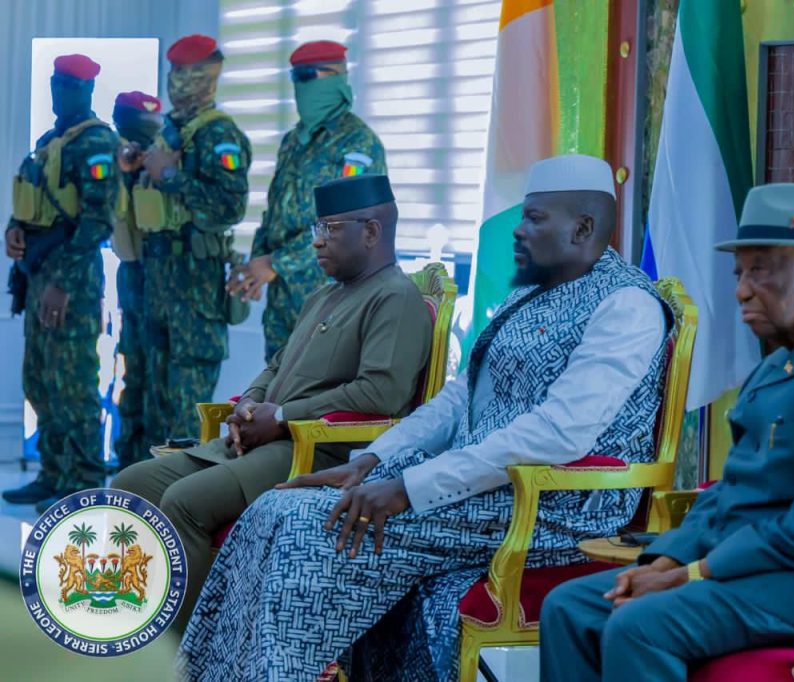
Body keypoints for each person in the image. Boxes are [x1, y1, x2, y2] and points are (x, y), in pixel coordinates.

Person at [177, 155, 674, 681]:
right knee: (277, 507)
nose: (519, 232)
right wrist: (372, 460)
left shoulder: (627, 307)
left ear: (583, 227)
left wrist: (410, 487)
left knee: (309, 529)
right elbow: (458, 399)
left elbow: (558, 432)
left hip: (554, 502)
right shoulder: (532, 292)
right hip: (481, 484)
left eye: (534, 219)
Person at [540, 183, 794, 682]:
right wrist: (667, 558)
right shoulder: (777, 368)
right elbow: (730, 491)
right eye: (739, 272)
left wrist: (695, 573)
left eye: (761, 271)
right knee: (571, 606)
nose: (741, 290)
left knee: (641, 625)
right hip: (763, 571)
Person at [113, 173, 432, 632]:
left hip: (316, 451)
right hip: (265, 441)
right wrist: (253, 404)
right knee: (130, 484)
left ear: (372, 231)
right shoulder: (326, 294)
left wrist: (282, 417)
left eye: (330, 230)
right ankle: (133, 619)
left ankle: (183, 652)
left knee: (184, 503)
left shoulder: (394, 298)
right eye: (316, 230)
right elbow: (279, 364)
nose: (317, 243)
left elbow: (381, 394)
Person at [3, 55, 120, 512]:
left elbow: (98, 221)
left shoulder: (96, 142)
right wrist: (14, 228)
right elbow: (34, 202)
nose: (60, 90)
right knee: (40, 380)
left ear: (87, 89)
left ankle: (85, 481)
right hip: (37, 274)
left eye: (69, 84)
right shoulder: (50, 141)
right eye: (56, 82)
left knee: (72, 383)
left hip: (71, 279)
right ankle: (53, 474)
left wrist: (63, 284)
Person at [228, 40, 387, 363]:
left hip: (333, 302)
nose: (299, 87)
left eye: (307, 76)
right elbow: (274, 213)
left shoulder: (358, 143)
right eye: (295, 77)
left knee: (316, 405)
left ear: (336, 77)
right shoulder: (292, 142)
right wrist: (257, 265)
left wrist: (275, 263)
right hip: (284, 304)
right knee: (273, 400)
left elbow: (348, 226)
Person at [134, 34, 252, 445]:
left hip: (195, 289)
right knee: (156, 404)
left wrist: (170, 176)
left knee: (186, 413)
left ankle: (182, 505)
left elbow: (229, 207)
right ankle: (148, 501)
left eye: (186, 74)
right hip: (159, 283)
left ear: (207, 78)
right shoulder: (169, 132)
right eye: (174, 73)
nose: (176, 82)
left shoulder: (219, 135)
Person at [110, 90, 164, 470]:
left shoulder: (167, 159)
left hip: (166, 282)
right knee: (134, 375)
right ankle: (129, 464)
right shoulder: (116, 161)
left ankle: (154, 467)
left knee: (161, 384)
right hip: (132, 279)